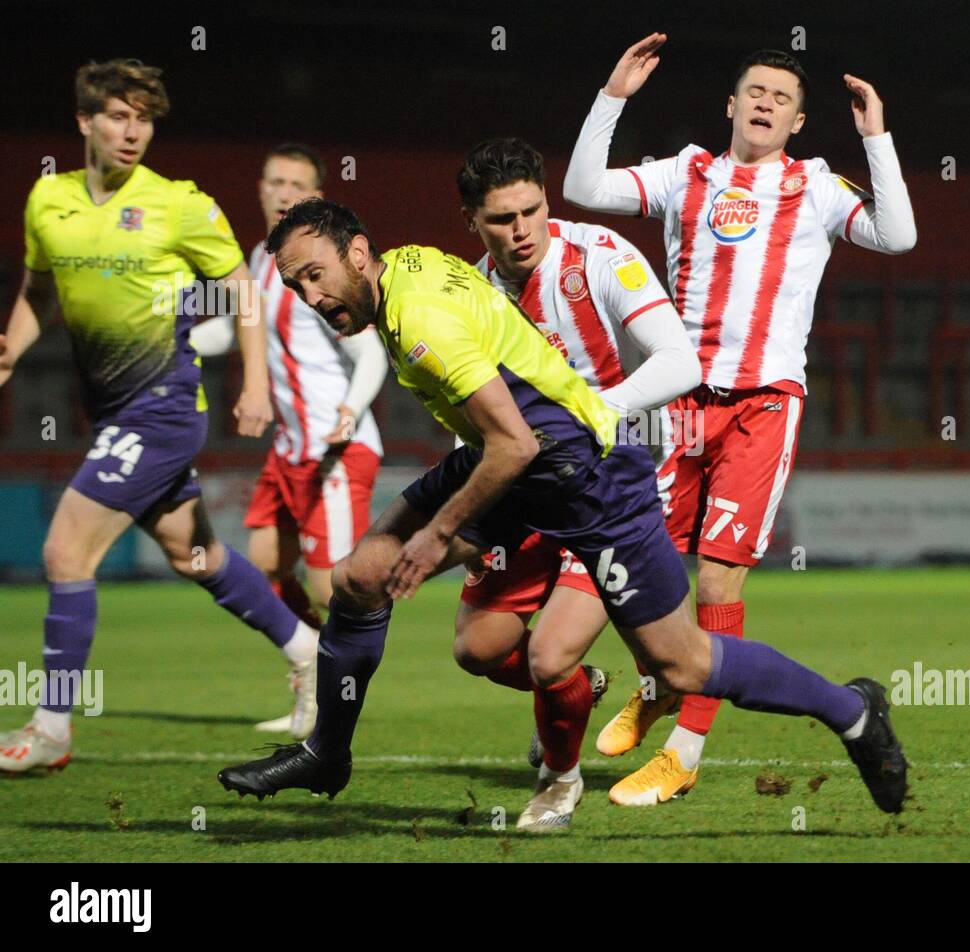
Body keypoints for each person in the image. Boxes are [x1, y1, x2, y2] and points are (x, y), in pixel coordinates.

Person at [215, 198, 908, 820]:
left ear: (358, 253)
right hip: (516, 456)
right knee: (361, 577)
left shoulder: (418, 318)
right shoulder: (407, 267)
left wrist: (439, 535)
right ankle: (327, 754)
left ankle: (852, 711)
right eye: (297, 283)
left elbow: (513, 443)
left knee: (681, 666)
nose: (310, 295)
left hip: (583, 474)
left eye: (316, 274)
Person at [563, 36, 917, 802]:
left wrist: (876, 139)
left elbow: (899, 236)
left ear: (796, 123)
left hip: (762, 402)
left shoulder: (817, 187)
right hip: (679, 400)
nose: (765, 103)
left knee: (719, 573)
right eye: (754, 91)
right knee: (640, 562)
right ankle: (662, 681)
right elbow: (583, 185)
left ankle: (683, 757)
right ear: (731, 105)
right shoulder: (684, 173)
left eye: (781, 98)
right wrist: (613, 96)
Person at [0, 59, 318, 773]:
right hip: (111, 413)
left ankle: (51, 729)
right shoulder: (47, 201)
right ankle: (311, 654)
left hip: (163, 410)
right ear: (85, 121)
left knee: (63, 553)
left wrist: (255, 384)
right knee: (196, 555)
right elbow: (37, 289)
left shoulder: (179, 204)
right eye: (118, 115)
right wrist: (11, 352)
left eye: (144, 118)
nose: (132, 130)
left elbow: (241, 290)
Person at [450, 137, 699, 827]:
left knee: (553, 654)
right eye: (502, 219)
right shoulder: (466, 297)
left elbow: (680, 360)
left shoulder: (598, 257)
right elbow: (467, 412)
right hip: (524, 494)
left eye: (532, 210)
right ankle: (583, 691)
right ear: (471, 219)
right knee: (477, 649)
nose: (521, 228)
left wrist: (599, 412)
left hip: (605, 493)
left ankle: (559, 782)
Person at [190, 143, 387, 738]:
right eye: (274, 180)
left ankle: (336, 699)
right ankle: (309, 668)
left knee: (334, 589)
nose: (282, 192)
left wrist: (349, 412)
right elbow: (235, 329)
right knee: (267, 566)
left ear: (318, 198)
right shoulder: (261, 258)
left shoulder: (319, 267)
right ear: (259, 188)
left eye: (297, 185)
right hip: (289, 448)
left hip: (334, 446)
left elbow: (369, 348)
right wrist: (171, 342)